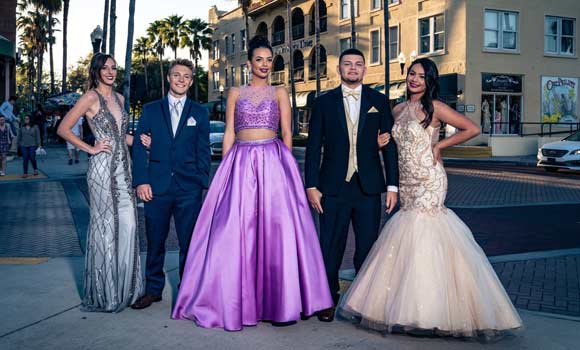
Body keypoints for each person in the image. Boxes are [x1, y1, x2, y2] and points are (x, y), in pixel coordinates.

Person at [337, 57, 523, 338]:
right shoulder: (397, 108)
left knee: (427, 233)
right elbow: (390, 146)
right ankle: (408, 309)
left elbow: (472, 129)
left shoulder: (435, 107)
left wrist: (441, 146)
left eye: (421, 76)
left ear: (429, 81)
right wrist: (377, 146)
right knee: (407, 236)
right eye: (412, 74)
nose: (414, 80)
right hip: (407, 181)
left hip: (429, 179)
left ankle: (434, 312)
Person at [171, 36, 332, 331]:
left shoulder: (280, 92)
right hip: (241, 162)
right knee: (233, 228)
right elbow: (230, 131)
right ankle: (231, 299)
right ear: (249, 64)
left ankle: (280, 303)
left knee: (276, 230)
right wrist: (224, 166)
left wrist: (288, 169)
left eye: (269, 60)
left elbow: (286, 132)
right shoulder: (235, 92)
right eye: (259, 60)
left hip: (273, 162)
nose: (265, 65)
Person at [304, 48, 399, 322]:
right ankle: (328, 298)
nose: (353, 68)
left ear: (365, 69)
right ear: (339, 69)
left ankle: (364, 301)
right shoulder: (323, 103)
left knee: (367, 247)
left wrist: (392, 186)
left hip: (368, 187)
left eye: (358, 64)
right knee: (330, 246)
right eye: (348, 64)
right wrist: (311, 185)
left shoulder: (379, 101)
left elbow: (388, 147)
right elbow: (312, 149)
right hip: (331, 187)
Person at [57, 53, 143, 312]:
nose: (110, 72)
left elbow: (121, 136)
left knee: (128, 225)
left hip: (124, 170)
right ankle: (107, 294)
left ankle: (127, 289)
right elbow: (63, 128)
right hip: (102, 171)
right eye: (105, 68)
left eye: (114, 68)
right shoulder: (89, 97)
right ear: (95, 71)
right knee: (105, 229)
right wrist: (90, 149)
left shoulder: (120, 98)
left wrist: (140, 141)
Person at [130, 58, 210, 310]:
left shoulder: (200, 112)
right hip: (157, 187)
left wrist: (200, 180)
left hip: (189, 189)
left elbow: (203, 150)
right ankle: (153, 289)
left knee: (190, 243)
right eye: (177, 75)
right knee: (155, 241)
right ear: (168, 77)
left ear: (191, 80)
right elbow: (139, 151)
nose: (181, 80)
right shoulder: (151, 110)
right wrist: (141, 181)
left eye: (186, 76)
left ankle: (188, 291)